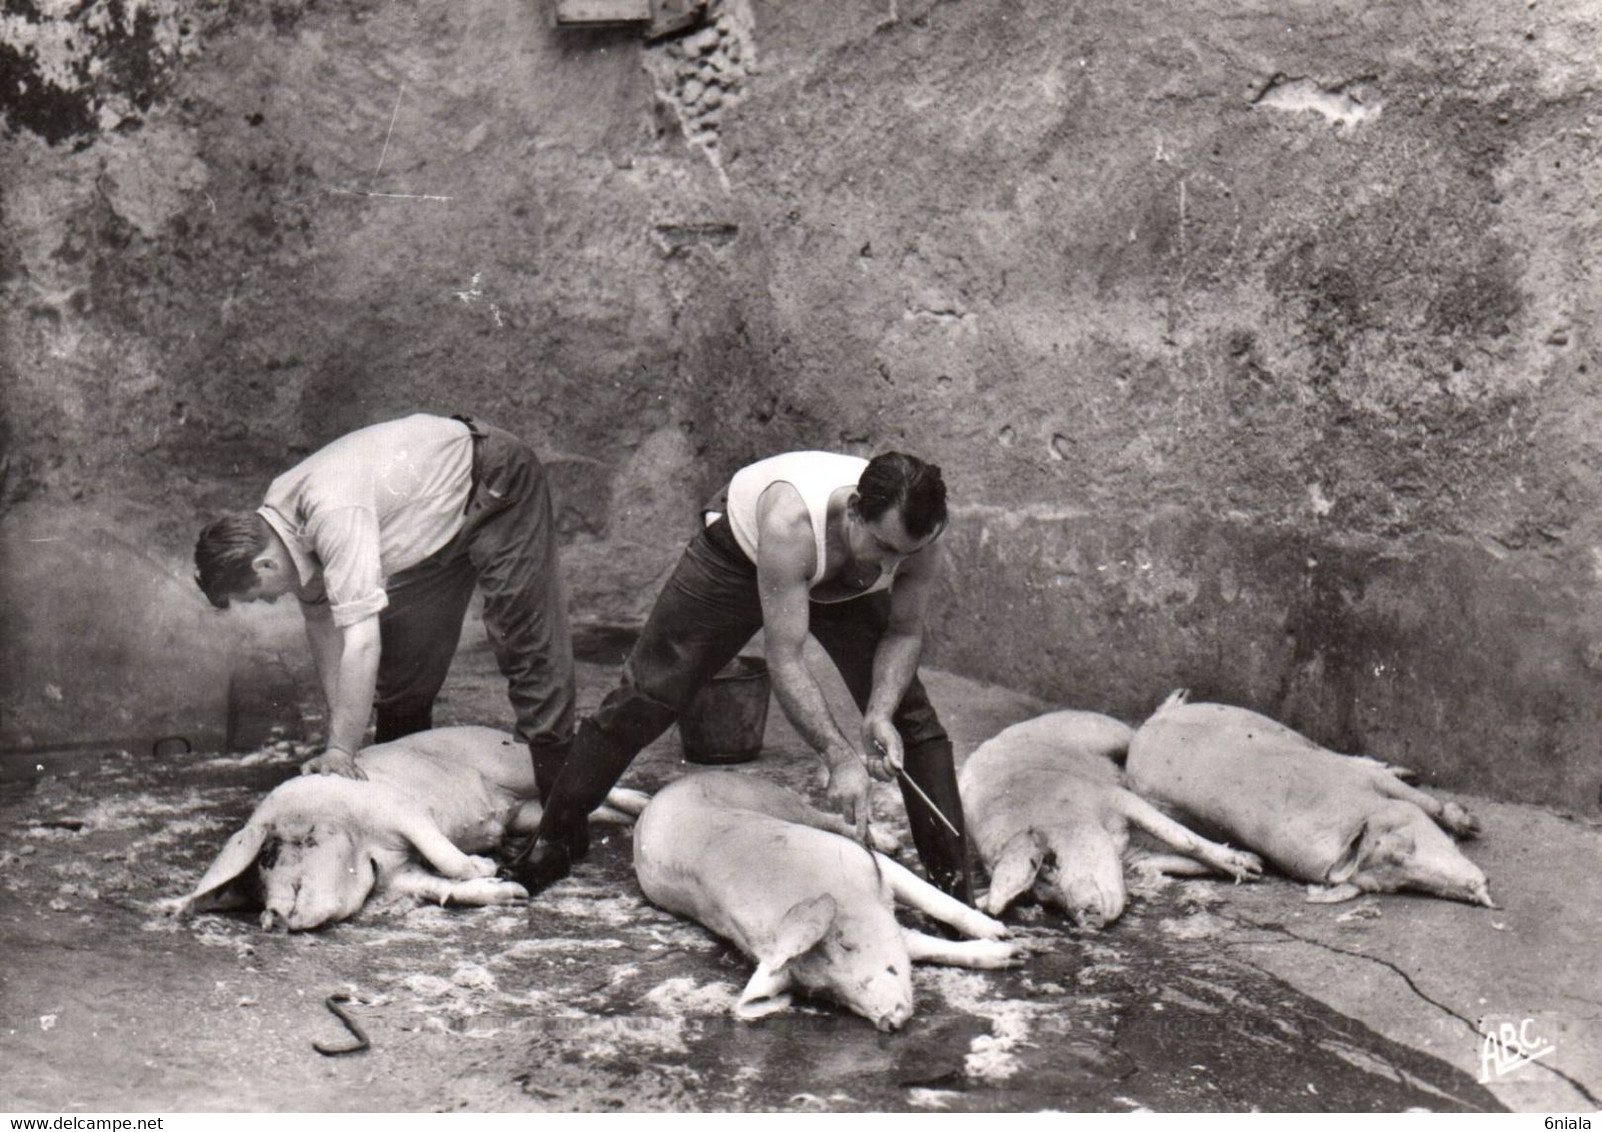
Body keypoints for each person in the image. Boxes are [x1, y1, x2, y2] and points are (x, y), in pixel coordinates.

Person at [505, 449, 974, 902]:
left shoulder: (916, 537)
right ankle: (556, 838)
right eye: (885, 548)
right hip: (739, 555)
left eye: (905, 555)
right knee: (648, 695)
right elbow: (786, 658)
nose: (892, 568)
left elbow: (905, 632)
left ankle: (952, 888)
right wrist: (839, 755)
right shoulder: (790, 520)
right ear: (854, 510)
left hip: (834, 568)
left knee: (913, 722)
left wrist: (879, 712)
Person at [192, 413, 575, 797]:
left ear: (265, 565)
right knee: (404, 665)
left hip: (493, 479)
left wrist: (341, 750)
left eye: (260, 594)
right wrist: (340, 739)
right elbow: (322, 623)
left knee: (523, 637)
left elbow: (361, 643)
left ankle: (559, 808)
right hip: (432, 520)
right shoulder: (279, 521)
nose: (271, 601)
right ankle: (408, 789)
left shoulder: (331, 513)